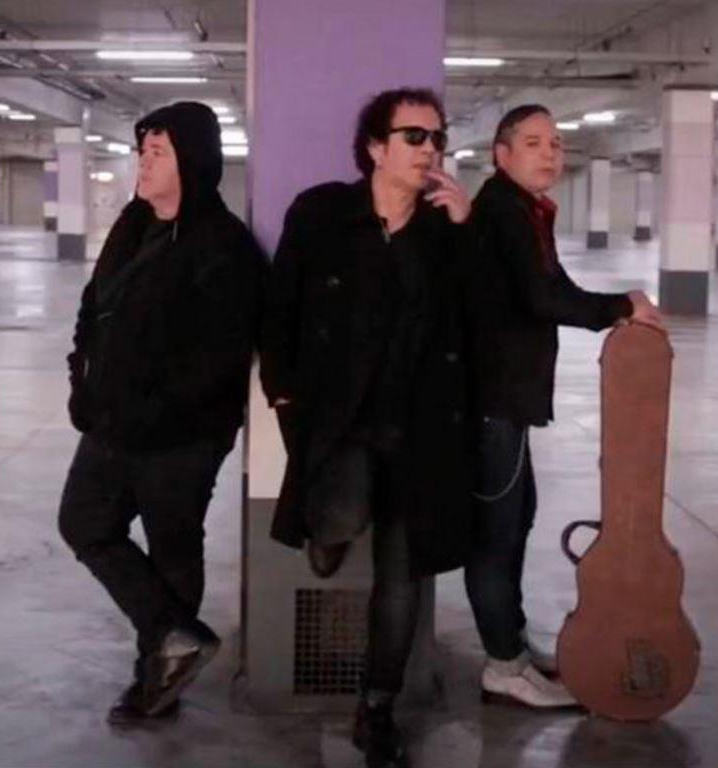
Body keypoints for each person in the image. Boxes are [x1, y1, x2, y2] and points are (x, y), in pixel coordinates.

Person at [261, 88, 477, 768]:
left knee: (402, 575)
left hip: (420, 429)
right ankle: (326, 533)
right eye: (415, 136)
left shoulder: (444, 231)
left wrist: (466, 231)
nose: (430, 149)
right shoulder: (322, 213)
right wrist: (282, 394)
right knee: (340, 514)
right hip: (341, 420)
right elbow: (280, 307)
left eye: (438, 138)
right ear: (376, 148)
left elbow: (478, 319)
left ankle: (376, 709)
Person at [58, 101, 267, 726]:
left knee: (174, 548)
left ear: (192, 162)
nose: (143, 163)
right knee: (83, 522)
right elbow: (94, 307)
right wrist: (81, 378)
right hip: (111, 421)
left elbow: (220, 358)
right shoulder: (132, 224)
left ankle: (157, 681)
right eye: (141, 151)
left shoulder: (224, 247)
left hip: (182, 436)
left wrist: (153, 410)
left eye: (158, 152)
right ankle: (173, 637)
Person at [466, 104, 663, 709]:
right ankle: (503, 666)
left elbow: (553, 289)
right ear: (501, 154)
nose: (549, 153)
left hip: (510, 398)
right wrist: (621, 307)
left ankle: (513, 647)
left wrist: (618, 307)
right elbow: (543, 297)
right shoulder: (504, 212)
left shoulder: (526, 210)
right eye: (532, 142)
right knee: (496, 536)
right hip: (493, 400)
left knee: (517, 519)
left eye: (554, 142)